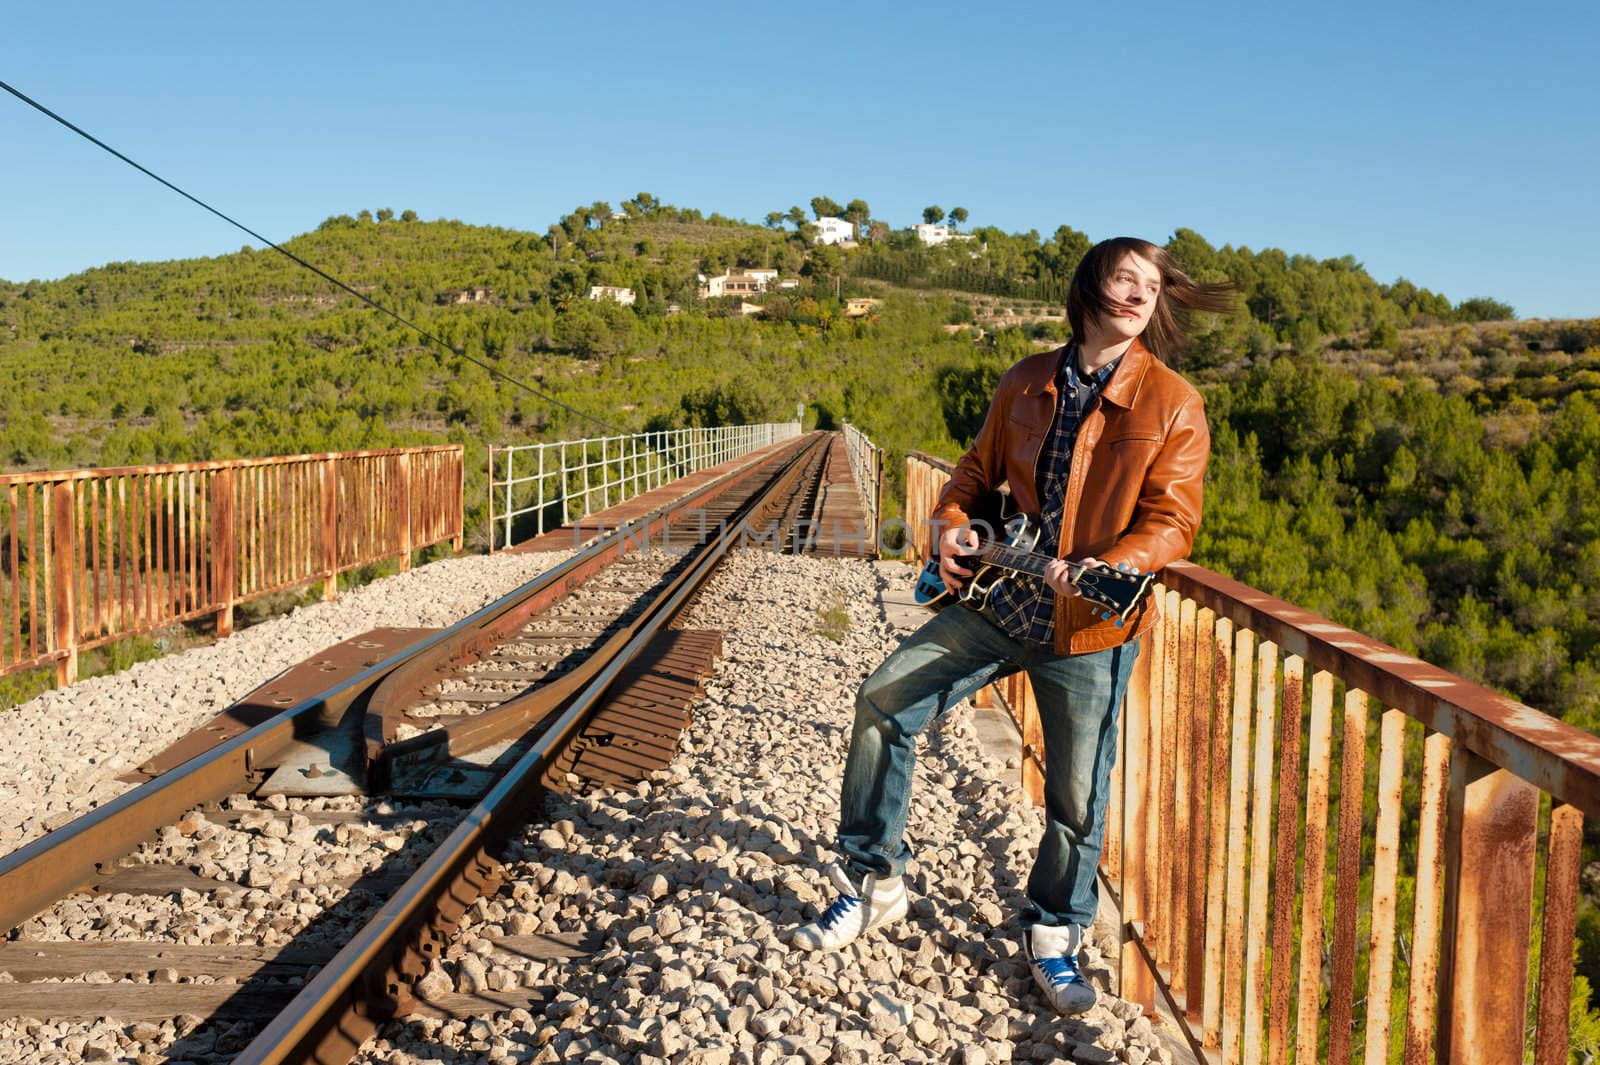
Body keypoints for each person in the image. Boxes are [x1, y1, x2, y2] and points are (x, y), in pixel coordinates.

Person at [792, 237, 1237, 1016]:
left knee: (1074, 795)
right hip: (1000, 601)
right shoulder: (1027, 380)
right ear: (1090, 284)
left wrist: (1105, 565)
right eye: (1125, 278)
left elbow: (1174, 520)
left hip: (1087, 623)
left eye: (1153, 286)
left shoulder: (1173, 402)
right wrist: (952, 523)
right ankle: (873, 881)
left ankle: (1054, 933)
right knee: (884, 699)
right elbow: (973, 472)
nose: (1140, 295)